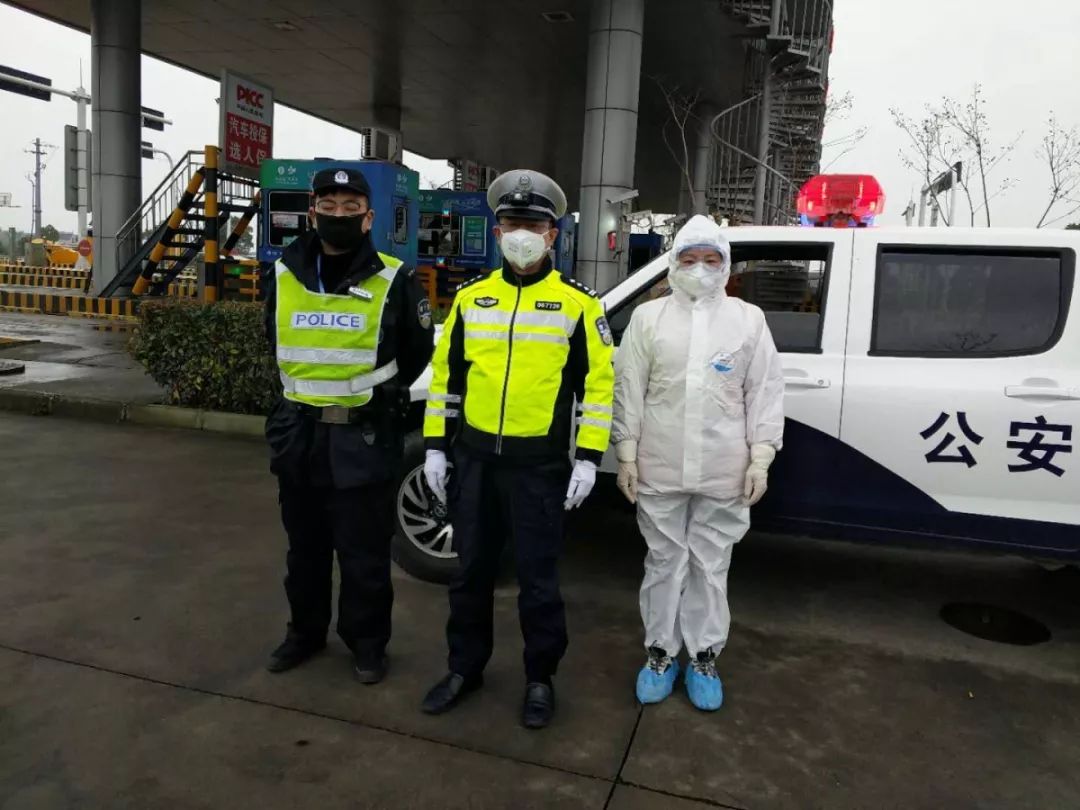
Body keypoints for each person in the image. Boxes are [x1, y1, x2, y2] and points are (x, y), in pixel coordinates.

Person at [420, 169, 615, 729]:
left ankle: (540, 679)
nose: (521, 235)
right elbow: (445, 381)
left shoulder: (579, 305)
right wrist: (435, 448)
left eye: (533, 226)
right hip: (475, 461)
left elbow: (599, 388)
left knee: (538, 581)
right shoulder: (471, 299)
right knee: (470, 574)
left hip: (539, 467)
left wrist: (587, 459)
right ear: (497, 231)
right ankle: (464, 668)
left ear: (552, 235)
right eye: (511, 224)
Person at [262, 166, 434, 683]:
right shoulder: (283, 274)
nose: (339, 214)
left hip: (363, 437)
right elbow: (274, 341)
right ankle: (304, 634)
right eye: (329, 206)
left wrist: (376, 398)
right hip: (299, 437)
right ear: (312, 212)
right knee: (304, 552)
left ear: (368, 217)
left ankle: (367, 645)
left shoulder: (396, 279)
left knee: (364, 556)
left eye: (350, 207)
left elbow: (416, 354)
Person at [611, 214, 784, 712]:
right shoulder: (649, 319)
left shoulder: (747, 320)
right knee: (663, 562)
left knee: (711, 564)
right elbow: (630, 388)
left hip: (723, 468)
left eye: (711, 259)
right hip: (660, 464)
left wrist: (761, 457)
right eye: (689, 259)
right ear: (673, 263)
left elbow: (764, 391)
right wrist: (626, 453)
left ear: (726, 265)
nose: (700, 268)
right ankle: (660, 654)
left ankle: (704, 656)